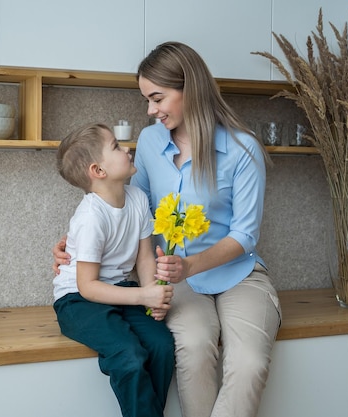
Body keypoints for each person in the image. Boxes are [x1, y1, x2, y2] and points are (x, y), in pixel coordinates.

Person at [53, 42, 282, 417]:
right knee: (191, 349)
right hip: (175, 280)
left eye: (157, 98)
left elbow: (245, 235)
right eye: (147, 99)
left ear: (189, 88)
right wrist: (73, 244)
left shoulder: (243, 148)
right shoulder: (149, 141)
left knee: (250, 363)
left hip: (239, 275)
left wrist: (190, 266)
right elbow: (126, 207)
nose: (150, 110)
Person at [53, 123, 175, 417]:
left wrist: (153, 295)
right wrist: (143, 297)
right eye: (117, 147)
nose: (127, 149)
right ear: (98, 171)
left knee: (161, 345)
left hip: (120, 291)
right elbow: (87, 286)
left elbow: (144, 258)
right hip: (77, 301)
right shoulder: (91, 217)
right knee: (129, 356)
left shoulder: (138, 199)